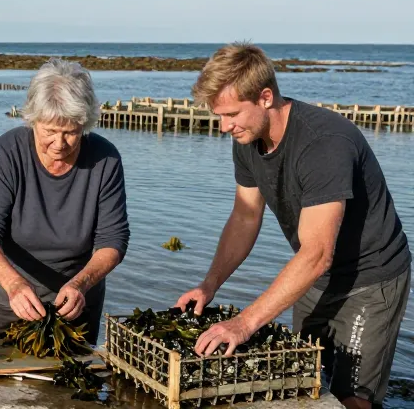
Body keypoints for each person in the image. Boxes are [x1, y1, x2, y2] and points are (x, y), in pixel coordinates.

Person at [174, 42, 410, 409]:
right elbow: (245, 217)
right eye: (218, 115)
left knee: (353, 398)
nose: (224, 127)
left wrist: (243, 323)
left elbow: (317, 253)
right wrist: (209, 284)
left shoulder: (323, 144)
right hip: (315, 277)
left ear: (265, 97)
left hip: (370, 279)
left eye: (232, 114)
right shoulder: (247, 138)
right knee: (303, 382)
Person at [0, 59, 130, 342]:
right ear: (33, 121)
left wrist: (81, 284)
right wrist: (13, 284)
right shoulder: (7, 151)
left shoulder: (106, 159)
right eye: (50, 131)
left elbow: (113, 239)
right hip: (7, 299)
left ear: (85, 125)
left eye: (71, 132)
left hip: (76, 303)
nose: (59, 143)